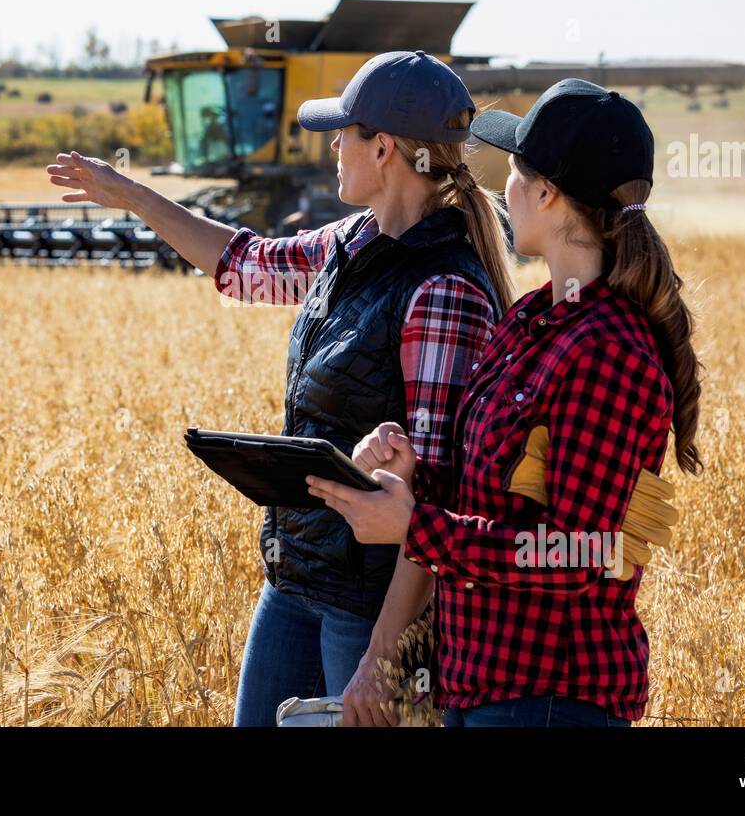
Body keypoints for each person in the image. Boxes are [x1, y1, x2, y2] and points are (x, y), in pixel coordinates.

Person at [46, 50, 516, 726]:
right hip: (295, 579)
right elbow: (244, 266)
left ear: (383, 148)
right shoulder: (350, 242)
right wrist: (133, 196)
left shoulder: (442, 290)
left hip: (371, 606)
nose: (332, 146)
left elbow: (437, 496)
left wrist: (384, 661)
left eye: (344, 131)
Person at [307, 78, 704, 726]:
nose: (505, 189)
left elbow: (574, 552)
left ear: (546, 192)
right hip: (478, 684)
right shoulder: (528, 320)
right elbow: (484, 494)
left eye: (516, 173)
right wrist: (407, 475)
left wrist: (413, 526)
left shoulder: (608, 353)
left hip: (551, 696)